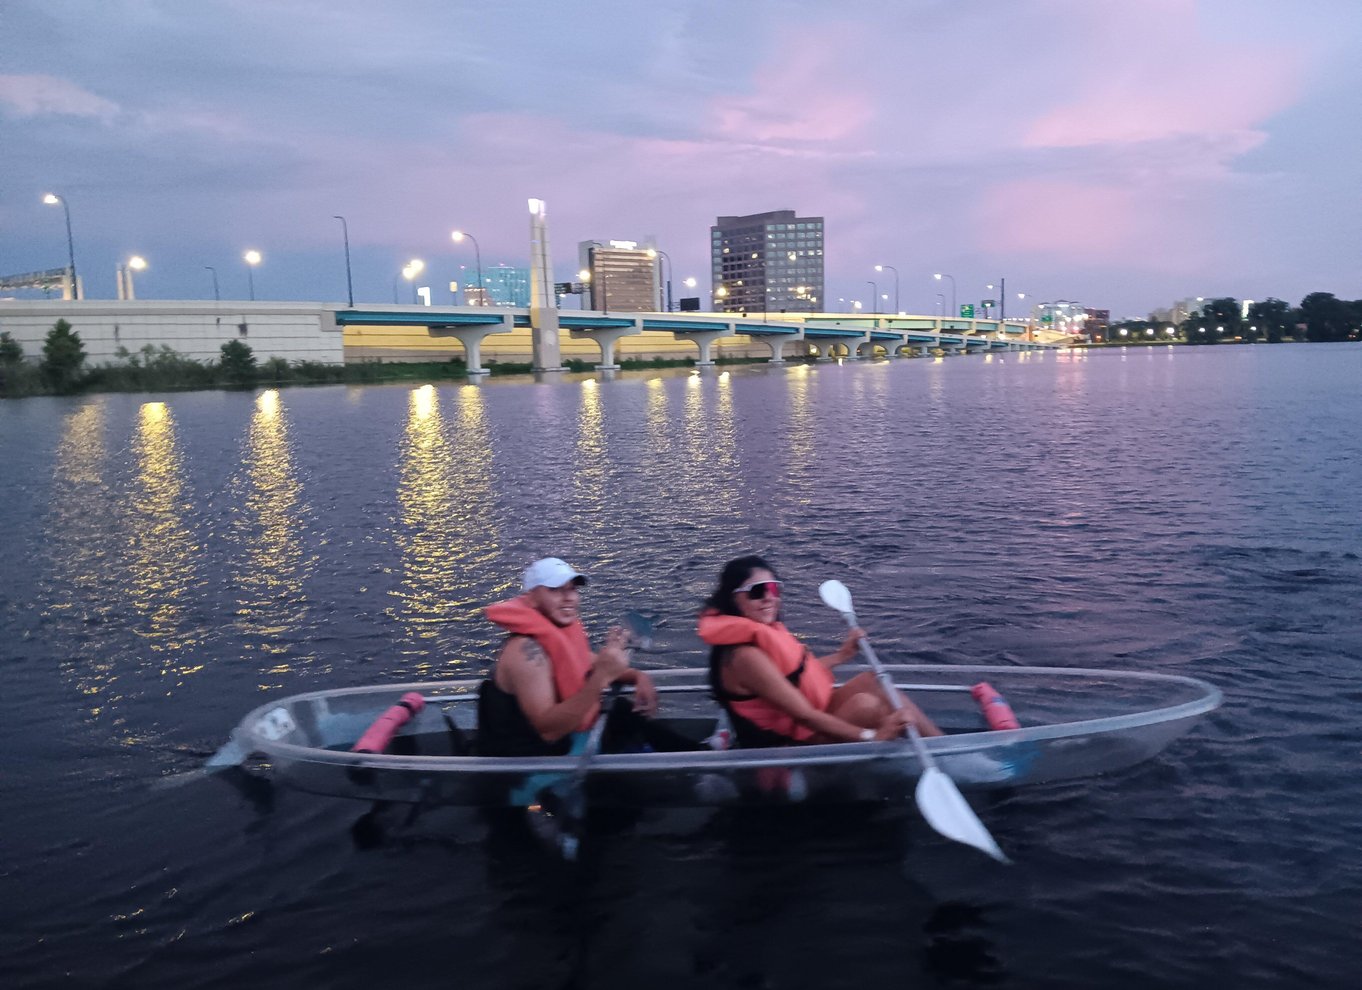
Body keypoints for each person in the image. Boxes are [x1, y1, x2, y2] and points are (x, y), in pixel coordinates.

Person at [699, 555, 942, 747]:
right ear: (732, 600)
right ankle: (931, 755)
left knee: (872, 681)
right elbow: (804, 715)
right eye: (756, 591)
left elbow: (797, 675)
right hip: (785, 748)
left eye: (773, 589)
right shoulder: (744, 657)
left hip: (805, 724)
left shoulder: (763, 634)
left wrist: (843, 654)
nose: (768, 598)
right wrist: (874, 735)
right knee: (866, 705)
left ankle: (942, 745)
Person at [479, 557, 696, 757]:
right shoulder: (525, 652)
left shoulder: (559, 633)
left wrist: (638, 677)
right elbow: (549, 731)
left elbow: (591, 661)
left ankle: (699, 754)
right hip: (533, 767)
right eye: (555, 590)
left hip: (567, 744)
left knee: (622, 711)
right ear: (531, 598)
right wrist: (601, 677)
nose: (569, 598)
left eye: (572, 589)